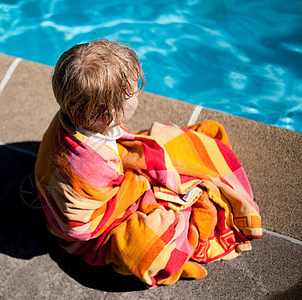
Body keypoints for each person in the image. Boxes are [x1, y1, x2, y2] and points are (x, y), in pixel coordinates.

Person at [35, 39, 261, 288]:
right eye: (134, 93)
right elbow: (80, 228)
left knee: (186, 143)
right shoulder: (90, 165)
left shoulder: (72, 116)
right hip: (93, 234)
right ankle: (168, 257)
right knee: (146, 246)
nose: (138, 96)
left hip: (85, 184)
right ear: (110, 114)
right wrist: (142, 182)